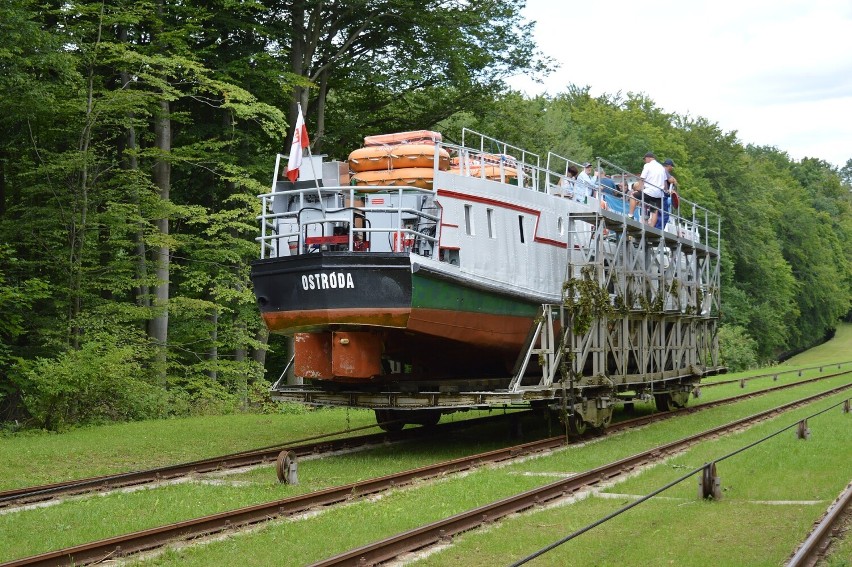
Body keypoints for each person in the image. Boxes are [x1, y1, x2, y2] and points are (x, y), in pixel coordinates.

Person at [630, 152, 667, 227]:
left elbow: (642, 178)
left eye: (645, 159)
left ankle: (630, 215)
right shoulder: (661, 168)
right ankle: (652, 227)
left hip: (650, 191)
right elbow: (665, 182)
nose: (644, 161)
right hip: (659, 193)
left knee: (633, 195)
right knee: (654, 210)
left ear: (648, 158)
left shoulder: (647, 165)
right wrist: (666, 190)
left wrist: (639, 189)